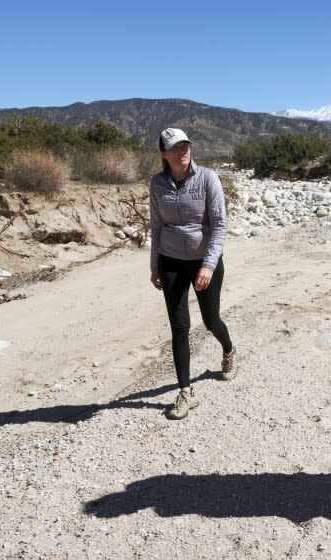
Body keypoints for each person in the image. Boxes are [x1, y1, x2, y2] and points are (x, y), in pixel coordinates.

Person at [149, 127, 237, 420]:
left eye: (185, 145)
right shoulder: (157, 183)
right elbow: (157, 227)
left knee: (211, 321)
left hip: (203, 262)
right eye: (175, 147)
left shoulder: (208, 178)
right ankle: (186, 393)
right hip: (171, 261)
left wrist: (208, 266)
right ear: (164, 154)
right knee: (179, 327)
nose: (182, 151)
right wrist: (154, 265)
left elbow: (220, 225)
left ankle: (228, 351)